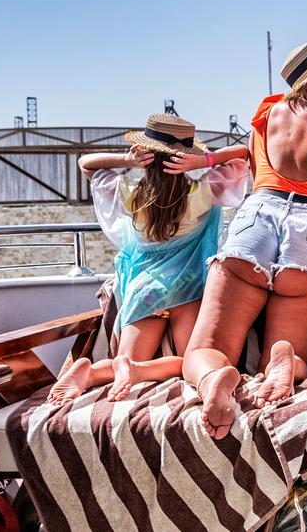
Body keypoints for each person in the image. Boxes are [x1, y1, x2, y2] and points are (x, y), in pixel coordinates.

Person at [183, 42, 307, 439]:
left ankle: (213, 379)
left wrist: (205, 160)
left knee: (203, 350)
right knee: (297, 352)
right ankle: (283, 363)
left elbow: (248, 156)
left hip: (257, 216)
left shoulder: (268, 110)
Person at [48, 114, 249, 405]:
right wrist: (202, 163)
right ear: (186, 157)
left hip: (144, 290)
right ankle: (135, 371)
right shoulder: (204, 192)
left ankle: (93, 373)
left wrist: (129, 162)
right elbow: (245, 155)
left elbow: (86, 163)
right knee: (190, 362)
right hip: (187, 290)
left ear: (147, 156)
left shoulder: (130, 195)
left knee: (125, 358)